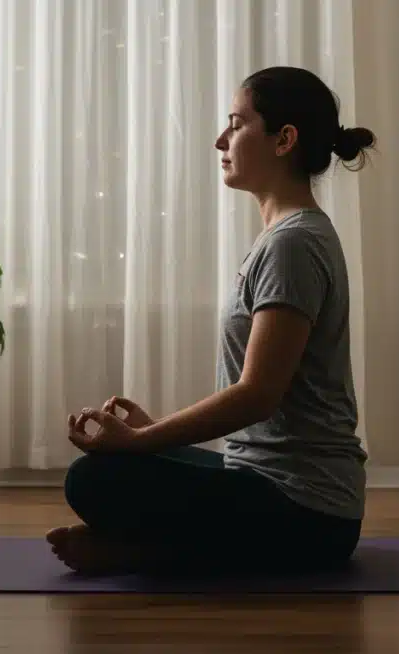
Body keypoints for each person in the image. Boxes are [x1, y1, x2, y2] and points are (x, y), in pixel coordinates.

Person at [46, 66, 375, 576]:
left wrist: (139, 441)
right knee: (118, 466)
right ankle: (156, 547)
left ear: (284, 139)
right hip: (264, 478)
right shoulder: (284, 237)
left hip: (308, 510)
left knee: (92, 479)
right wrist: (156, 433)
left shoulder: (293, 244)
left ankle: (147, 551)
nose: (222, 138)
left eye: (237, 123)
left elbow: (257, 395)